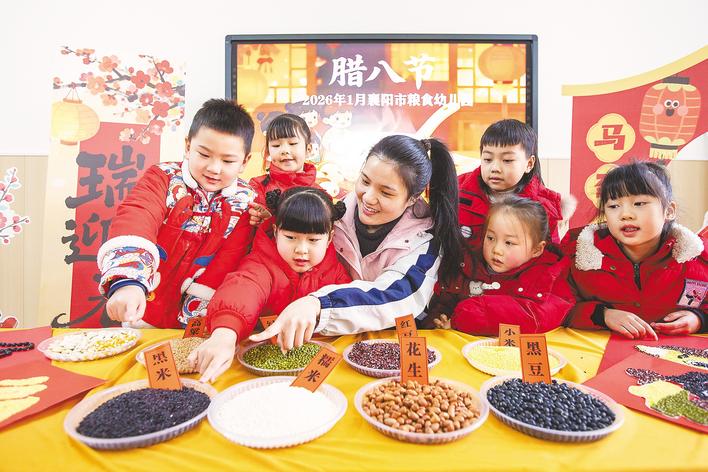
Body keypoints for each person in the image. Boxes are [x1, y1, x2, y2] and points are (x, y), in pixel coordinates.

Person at [250, 135, 463, 350]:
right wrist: (270, 224)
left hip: (389, 343)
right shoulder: (335, 214)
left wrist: (318, 304)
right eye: (365, 181)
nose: (368, 197)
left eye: (386, 192)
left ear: (413, 198)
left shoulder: (425, 240)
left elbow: (398, 296)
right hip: (331, 340)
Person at [98, 99, 256, 328]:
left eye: (228, 160)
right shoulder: (162, 177)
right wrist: (128, 282)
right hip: (143, 302)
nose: (214, 168)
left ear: (244, 161)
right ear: (188, 146)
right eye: (204, 155)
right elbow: (137, 217)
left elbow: (228, 261)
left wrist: (199, 318)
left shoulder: (246, 202)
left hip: (201, 318)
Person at [188, 187, 351, 382]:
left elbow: (349, 305)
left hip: (317, 365)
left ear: (330, 238)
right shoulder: (261, 263)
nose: (301, 249)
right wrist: (225, 332)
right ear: (275, 232)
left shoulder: (336, 271)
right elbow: (244, 287)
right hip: (261, 363)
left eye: (313, 240)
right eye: (290, 237)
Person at [178, 113, 323, 319]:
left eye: (292, 143)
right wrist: (259, 219)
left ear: (308, 149)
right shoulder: (255, 186)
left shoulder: (320, 194)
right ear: (268, 152)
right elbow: (243, 227)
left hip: (305, 270)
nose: (285, 150)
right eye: (276, 145)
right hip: (261, 269)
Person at [566, 161, 707, 337]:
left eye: (639, 203)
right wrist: (602, 315)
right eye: (613, 206)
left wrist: (699, 319)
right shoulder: (576, 255)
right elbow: (555, 305)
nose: (625, 215)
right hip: (598, 350)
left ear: (669, 211)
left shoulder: (698, 259)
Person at [427, 196, 574, 335]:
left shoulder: (548, 275)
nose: (496, 249)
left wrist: (464, 317)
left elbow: (538, 316)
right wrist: (440, 320)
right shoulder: (467, 263)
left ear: (536, 249)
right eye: (490, 238)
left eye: (509, 243)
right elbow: (444, 301)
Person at [457, 119, 574, 249]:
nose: (495, 168)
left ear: (529, 164)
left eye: (507, 160)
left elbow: (549, 256)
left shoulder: (544, 209)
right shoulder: (456, 190)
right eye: (488, 159)